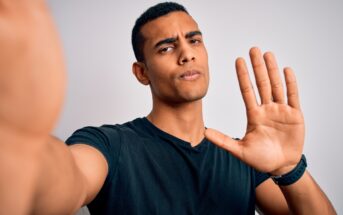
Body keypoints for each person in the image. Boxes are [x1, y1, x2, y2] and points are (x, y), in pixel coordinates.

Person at [0, 1, 336, 215]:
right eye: (165, 47)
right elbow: (60, 185)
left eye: (194, 40)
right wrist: (21, 141)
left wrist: (290, 168)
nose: (187, 53)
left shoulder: (245, 157)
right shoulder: (109, 146)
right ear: (142, 72)